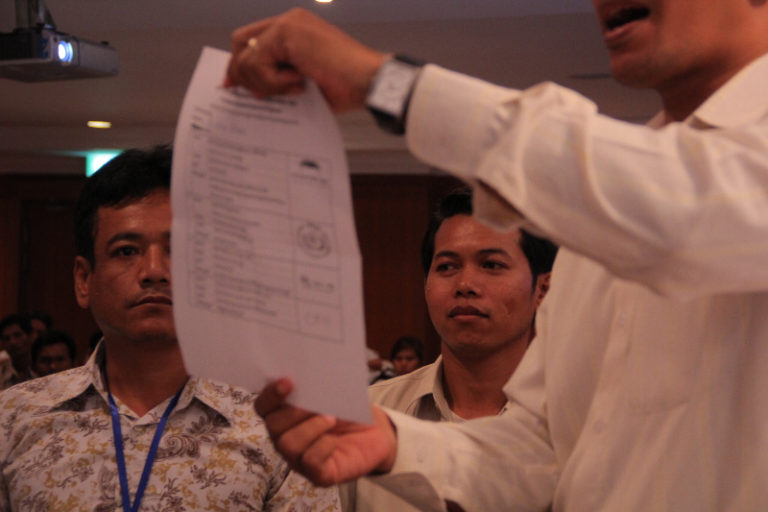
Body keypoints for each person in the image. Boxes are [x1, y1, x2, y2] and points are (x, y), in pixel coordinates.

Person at [228, 3, 768, 511]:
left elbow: (683, 209)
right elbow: (542, 453)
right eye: (446, 265)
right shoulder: (595, 228)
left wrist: (387, 84)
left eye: (491, 263)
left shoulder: (661, 191)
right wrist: (392, 442)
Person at [0, 146, 340, 511]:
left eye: (178, 250)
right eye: (126, 251)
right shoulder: (14, 418)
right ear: (84, 280)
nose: (154, 271)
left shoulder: (276, 426)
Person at [344, 190, 555, 511]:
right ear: (425, 285)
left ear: (543, 289)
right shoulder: (370, 415)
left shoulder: (569, 421)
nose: (465, 284)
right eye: (446, 267)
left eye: (491, 265)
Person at [0, 313, 34, 387]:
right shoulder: (2, 372)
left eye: (17, 335)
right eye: (7, 339)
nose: (12, 342)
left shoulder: (42, 366)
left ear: (29, 336)